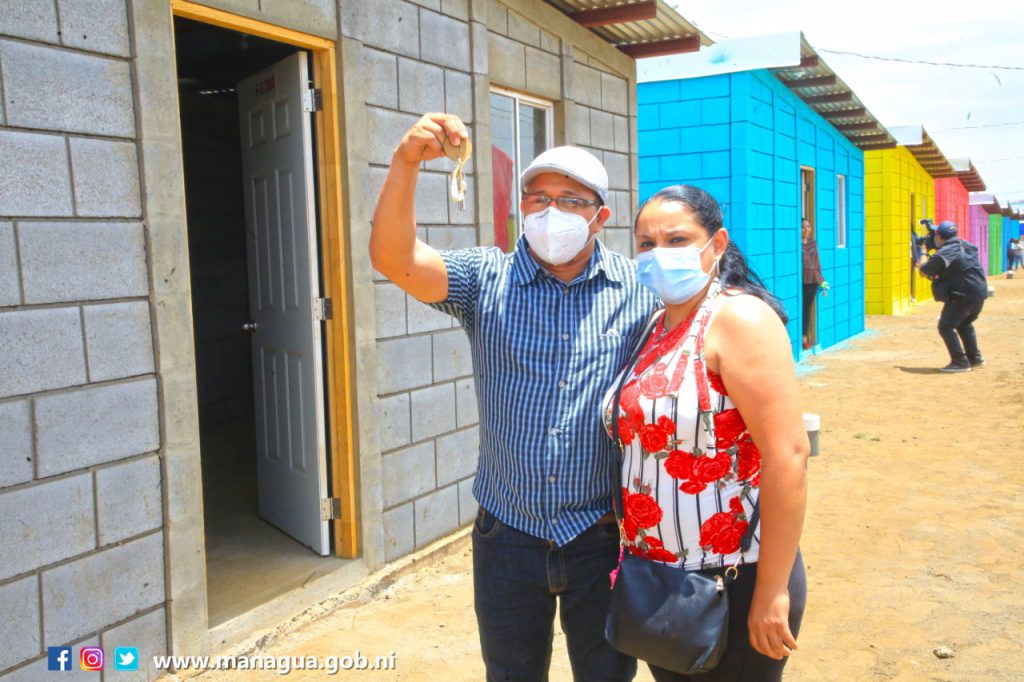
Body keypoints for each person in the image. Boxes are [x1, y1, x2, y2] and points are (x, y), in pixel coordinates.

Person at [369, 112, 658, 681]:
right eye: (538, 198)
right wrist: (406, 163)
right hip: (507, 534)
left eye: (570, 200)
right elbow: (394, 260)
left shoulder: (637, 289)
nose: (551, 212)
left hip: (601, 534)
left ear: (600, 216)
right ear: (521, 207)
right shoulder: (486, 279)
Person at [603, 185, 809, 681]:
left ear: (717, 244)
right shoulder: (655, 326)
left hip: (734, 579)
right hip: (661, 581)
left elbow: (789, 454)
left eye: (677, 240)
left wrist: (772, 591)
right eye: (646, 244)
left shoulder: (738, 318)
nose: (659, 254)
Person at [917, 220, 988, 373]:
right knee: (964, 324)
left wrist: (924, 251)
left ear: (939, 237)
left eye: (935, 235)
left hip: (963, 296)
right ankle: (975, 359)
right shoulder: (966, 245)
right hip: (979, 293)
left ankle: (960, 362)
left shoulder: (946, 252)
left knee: (946, 326)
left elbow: (923, 271)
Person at [800, 219, 823, 350]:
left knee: (807, 309)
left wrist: (821, 279)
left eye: (808, 227)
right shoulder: (796, 244)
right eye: (803, 227)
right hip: (801, 279)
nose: (806, 230)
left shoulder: (813, 243)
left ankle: (805, 337)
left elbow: (817, 261)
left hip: (812, 279)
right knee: (800, 307)